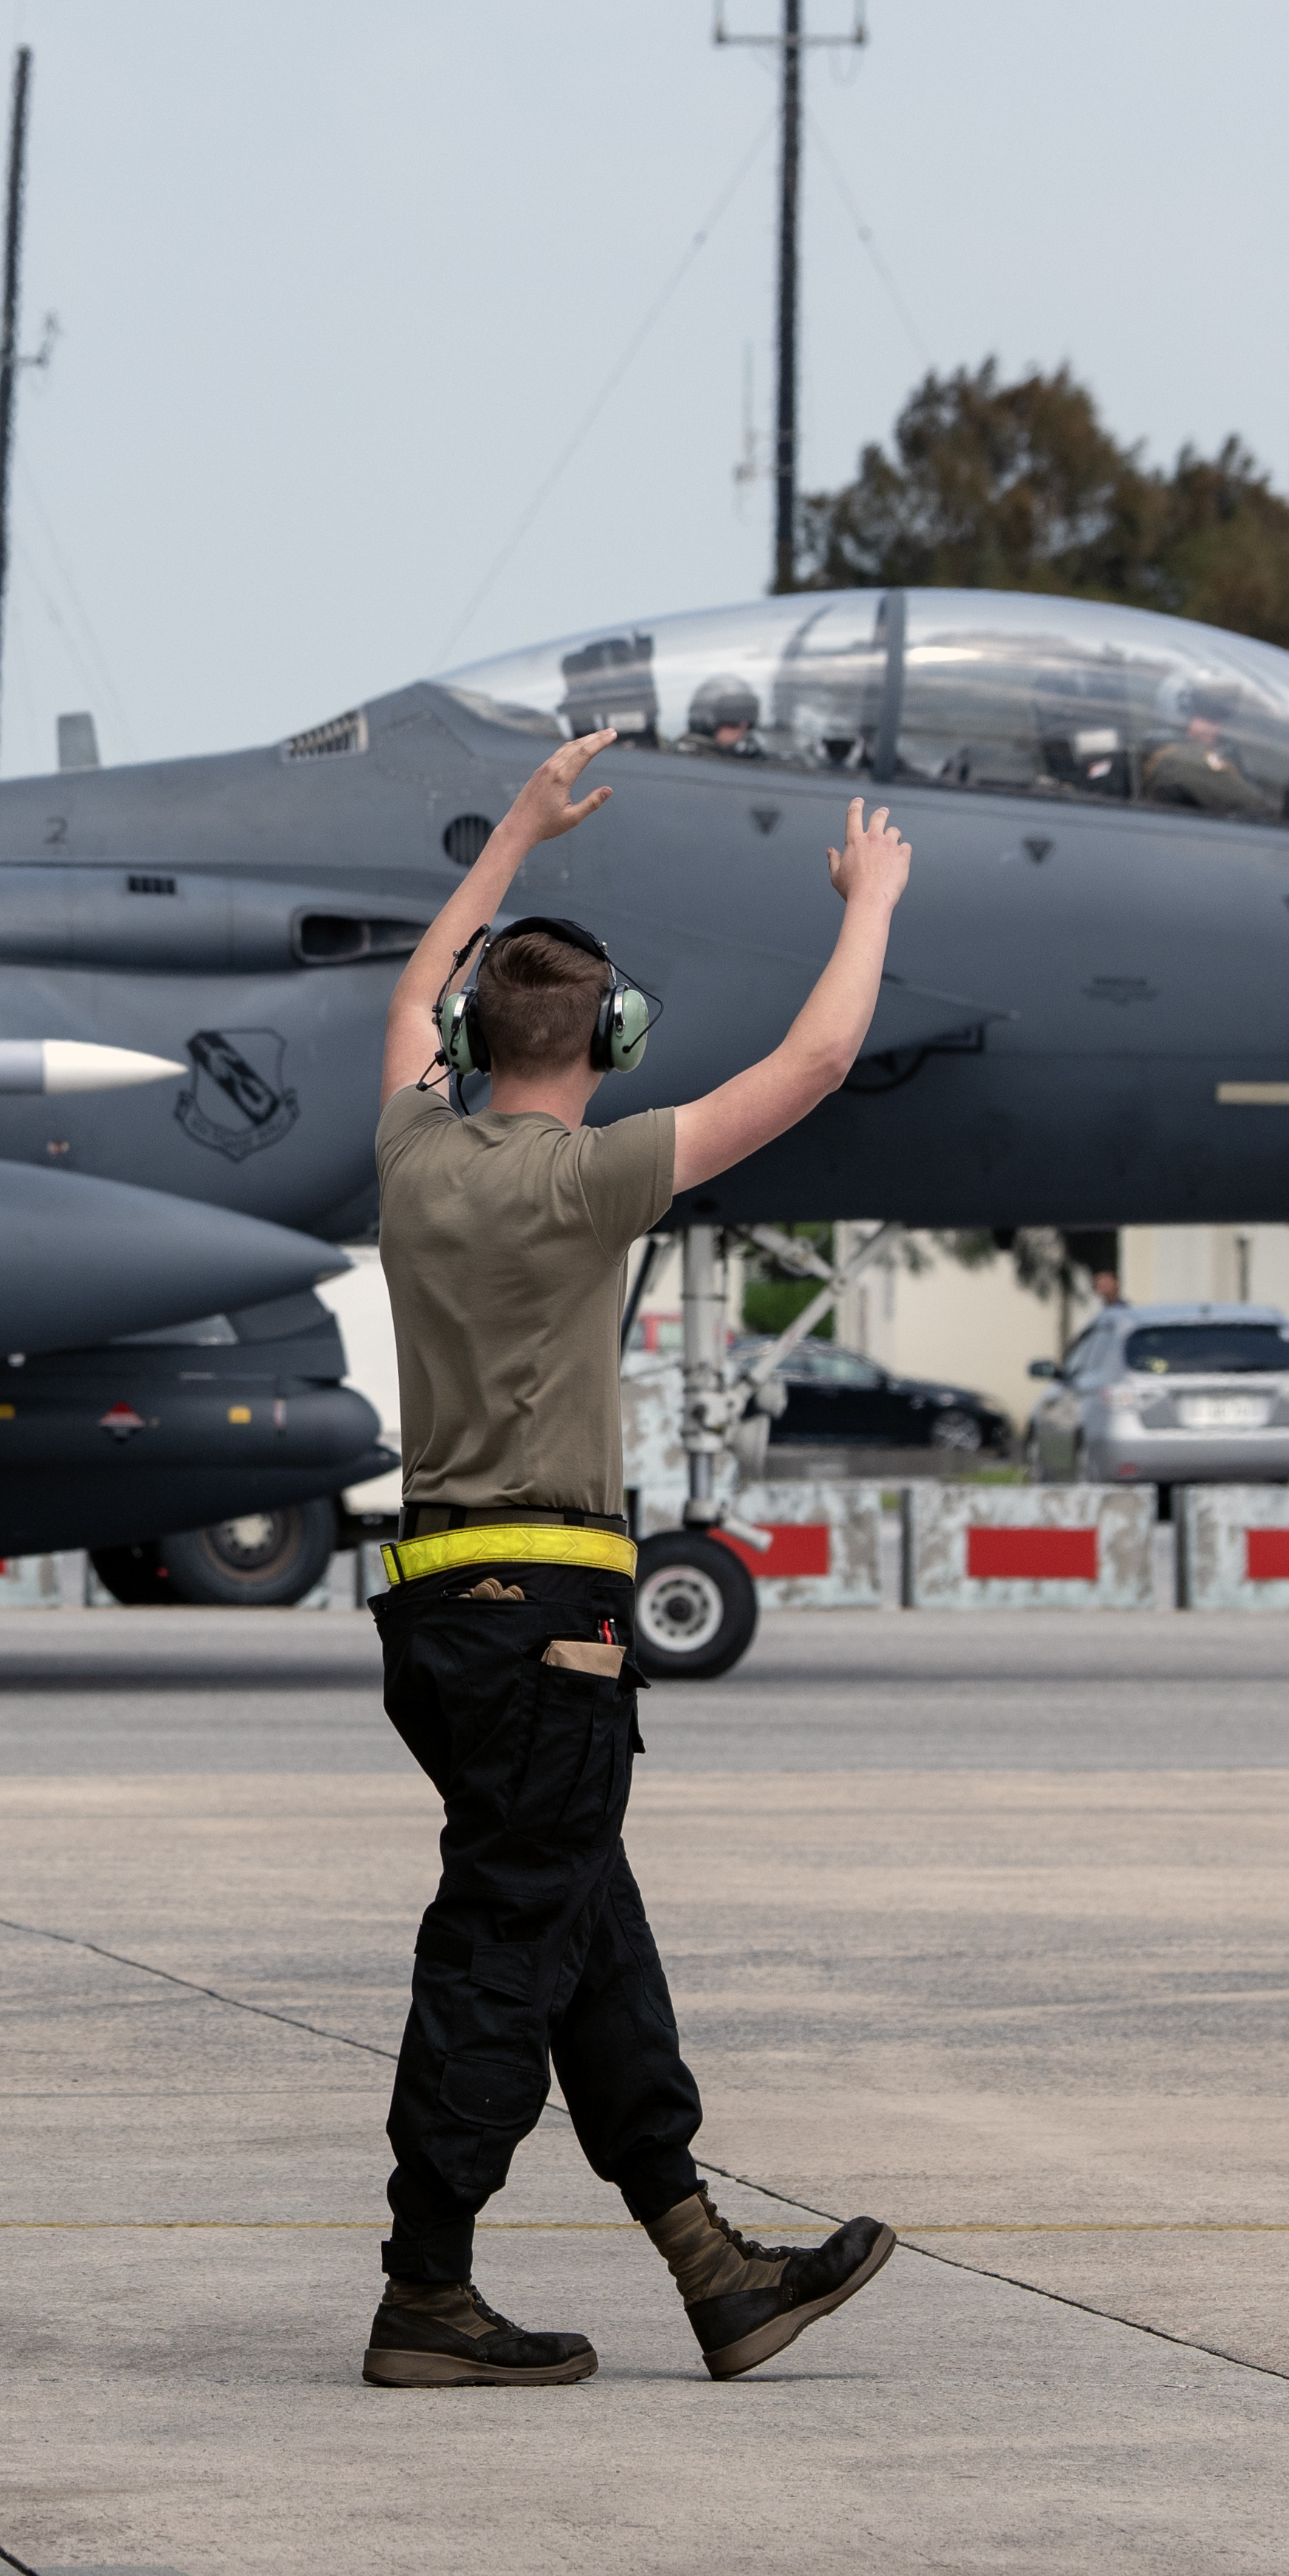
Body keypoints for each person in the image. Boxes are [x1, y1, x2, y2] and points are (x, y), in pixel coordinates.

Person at [356, 726, 920, 2387]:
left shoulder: (410, 1151)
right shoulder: (592, 1180)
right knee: (502, 1949)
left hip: (442, 1623)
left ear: (472, 1037)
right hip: (549, 1631)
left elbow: (415, 991)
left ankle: (710, 2267)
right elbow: (819, 1061)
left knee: (585, 1933)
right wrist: (870, 903)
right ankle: (425, 2291)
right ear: (613, 1041)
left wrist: (515, 836)